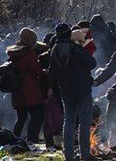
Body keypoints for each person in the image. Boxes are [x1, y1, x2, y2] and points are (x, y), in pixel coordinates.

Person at [48, 22, 98, 161]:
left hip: (66, 91)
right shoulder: (76, 49)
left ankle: (68, 156)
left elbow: (51, 73)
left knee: (68, 122)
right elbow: (92, 63)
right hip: (83, 89)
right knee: (84, 123)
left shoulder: (54, 50)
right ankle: (85, 154)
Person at [7, 28, 45, 143]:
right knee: (37, 115)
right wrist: (45, 73)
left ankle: (13, 141)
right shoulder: (28, 53)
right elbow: (37, 71)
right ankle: (31, 140)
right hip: (30, 91)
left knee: (21, 118)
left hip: (17, 91)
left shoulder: (14, 52)